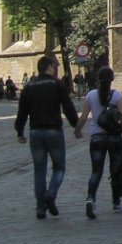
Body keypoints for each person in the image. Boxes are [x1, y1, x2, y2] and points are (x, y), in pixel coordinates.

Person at [14, 53, 80, 219]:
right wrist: (76, 126)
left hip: (36, 132)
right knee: (59, 167)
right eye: (54, 67)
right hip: (54, 131)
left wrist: (20, 132)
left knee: (39, 171)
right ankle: (51, 194)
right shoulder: (57, 84)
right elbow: (68, 107)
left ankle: (40, 208)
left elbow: (22, 112)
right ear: (49, 68)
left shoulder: (29, 86)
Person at [76, 65, 122, 216]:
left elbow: (84, 117)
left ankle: (90, 198)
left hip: (97, 138)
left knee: (96, 171)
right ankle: (116, 203)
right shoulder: (117, 96)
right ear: (112, 80)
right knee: (115, 171)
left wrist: (77, 130)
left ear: (98, 79)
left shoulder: (91, 95)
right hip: (114, 138)